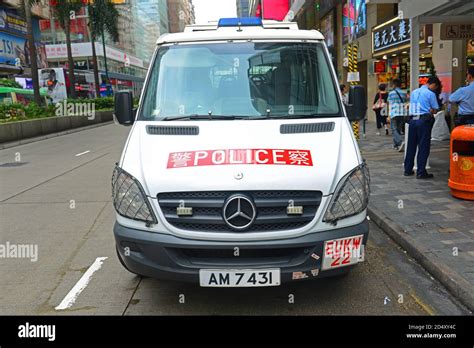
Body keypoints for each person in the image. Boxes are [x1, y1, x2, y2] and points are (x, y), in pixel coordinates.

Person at [404, 76, 441, 179]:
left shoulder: (414, 92)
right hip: (423, 122)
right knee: (423, 147)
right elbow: (435, 109)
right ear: (433, 84)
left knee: (411, 146)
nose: (435, 89)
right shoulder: (431, 94)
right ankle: (421, 172)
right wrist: (431, 111)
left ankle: (407, 170)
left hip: (412, 121)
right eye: (436, 87)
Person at [387, 78, 407, 152]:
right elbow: (405, 102)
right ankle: (396, 145)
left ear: (394, 85)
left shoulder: (391, 93)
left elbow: (389, 104)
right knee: (398, 129)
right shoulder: (404, 93)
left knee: (394, 129)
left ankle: (400, 142)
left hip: (394, 113)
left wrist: (388, 115)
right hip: (402, 113)